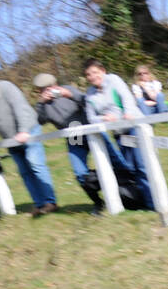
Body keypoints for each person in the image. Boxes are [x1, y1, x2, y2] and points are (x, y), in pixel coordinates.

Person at [33, 72, 117, 214]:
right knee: (80, 173)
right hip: (74, 136)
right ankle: (98, 203)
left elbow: (88, 102)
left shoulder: (68, 90)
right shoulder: (43, 104)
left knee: (115, 162)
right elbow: (41, 120)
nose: (48, 91)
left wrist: (69, 95)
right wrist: (41, 103)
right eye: (43, 90)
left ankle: (128, 193)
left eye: (49, 88)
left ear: (55, 85)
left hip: (90, 130)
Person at [0, 75, 59, 216]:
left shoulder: (6, 87)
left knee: (36, 165)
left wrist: (24, 131)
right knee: (25, 172)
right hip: (11, 141)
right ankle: (39, 204)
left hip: (29, 130)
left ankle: (50, 202)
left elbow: (20, 109)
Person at [82, 59, 153, 210]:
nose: (92, 77)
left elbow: (127, 98)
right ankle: (142, 203)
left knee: (142, 166)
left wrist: (127, 113)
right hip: (120, 134)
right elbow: (90, 117)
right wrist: (104, 118)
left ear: (102, 71)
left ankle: (153, 203)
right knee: (131, 169)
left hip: (134, 126)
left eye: (95, 72)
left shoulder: (113, 80)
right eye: (88, 75)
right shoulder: (90, 94)